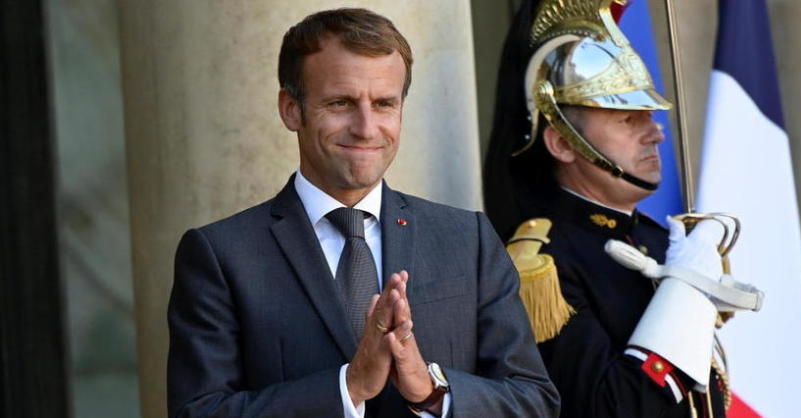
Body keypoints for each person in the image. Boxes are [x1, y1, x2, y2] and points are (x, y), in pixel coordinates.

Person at [167, 8, 559, 418]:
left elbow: (534, 402)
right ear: (291, 110)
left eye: (385, 103)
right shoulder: (220, 254)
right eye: (341, 103)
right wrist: (348, 387)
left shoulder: (468, 238)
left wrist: (431, 391)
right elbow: (199, 411)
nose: (367, 127)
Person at [484, 1, 761, 417]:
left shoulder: (659, 239)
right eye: (628, 119)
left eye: (649, 115)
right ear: (561, 143)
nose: (655, 134)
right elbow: (611, 408)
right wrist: (683, 298)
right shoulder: (540, 267)